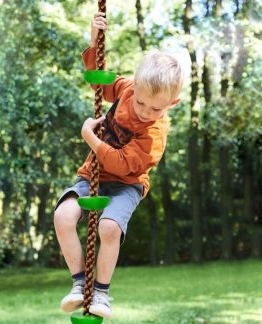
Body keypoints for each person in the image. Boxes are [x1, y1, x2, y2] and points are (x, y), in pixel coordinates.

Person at [53, 11, 184, 319]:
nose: (144, 111)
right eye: (140, 102)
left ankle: (101, 293)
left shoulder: (155, 134)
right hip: (93, 174)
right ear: (135, 86)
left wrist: (90, 137)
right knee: (63, 215)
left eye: (156, 108)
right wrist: (94, 37)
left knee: (110, 227)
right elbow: (99, 82)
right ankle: (77, 285)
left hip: (127, 183)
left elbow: (124, 164)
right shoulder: (126, 89)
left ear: (171, 105)